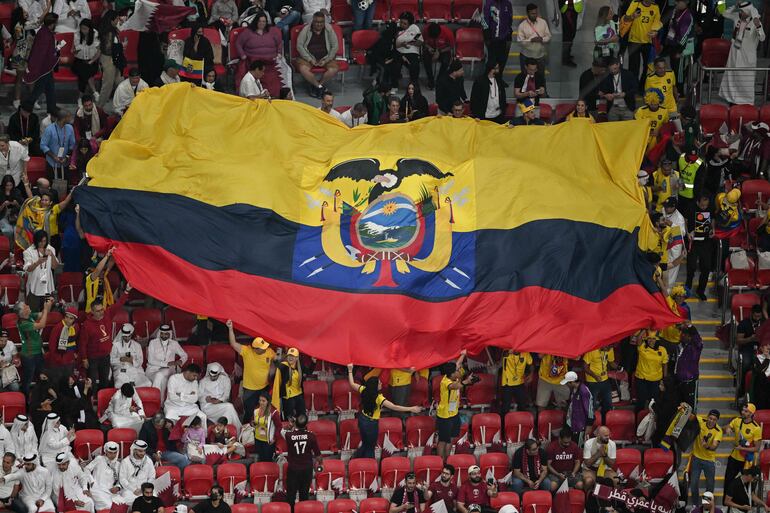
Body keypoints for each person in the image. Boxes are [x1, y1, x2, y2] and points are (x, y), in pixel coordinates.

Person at [346, 364, 421, 459]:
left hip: (362, 420)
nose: (381, 384)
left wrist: (350, 370)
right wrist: (411, 408)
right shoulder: (379, 398)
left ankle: (355, 458)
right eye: (379, 383)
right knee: (370, 448)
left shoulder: (364, 389)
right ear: (375, 386)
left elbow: (352, 384)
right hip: (371, 424)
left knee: (365, 443)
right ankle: (370, 465)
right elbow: (395, 407)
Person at [81, 283, 131, 387]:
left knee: (105, 380)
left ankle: (103, 399)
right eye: (98, 311)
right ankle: (92, 400)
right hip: (93, 358)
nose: (101, 312)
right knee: (92, 381)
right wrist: (84, 358)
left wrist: (126, 291)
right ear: (93, 311)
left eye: (102, 309)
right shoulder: (87, 325)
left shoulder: (107, 315)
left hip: (105, 356)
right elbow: (83, 343)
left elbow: (118, 305)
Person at [227, 320, 275, 422]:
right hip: (249, 389)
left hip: (264, 387)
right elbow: (233, 343)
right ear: (255, 349)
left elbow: (276, 360)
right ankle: (246, 432)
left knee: (264, 411)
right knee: (249, 413)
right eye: (262, 348)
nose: (265, 348)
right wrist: (230, 328)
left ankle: (263, 428)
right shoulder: (247, 351)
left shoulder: (269, 352)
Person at [719, 2, 765, 105]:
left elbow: (762, 38)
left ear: (749, 12)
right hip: (735, 53)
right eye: (740, 11)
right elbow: (724, 13)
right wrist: (735, 6)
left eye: (743, 11)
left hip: (747, 56)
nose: (741, 13)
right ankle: (732, 99)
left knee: (745, 79)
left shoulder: (755, 22)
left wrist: (758, 26)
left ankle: (745, 102)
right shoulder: (737, 17)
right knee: (732, 76)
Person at [234, 14, 282, 97]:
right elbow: (238, 43)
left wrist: (279, 53)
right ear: (256, 21)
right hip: (253, 61)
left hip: (270, 61)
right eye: (259, 21)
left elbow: (279, 44)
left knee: (274, 78)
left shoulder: (273, 31)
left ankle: (273, 95)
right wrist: (243, 56)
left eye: (264, 21)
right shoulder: (247, 32)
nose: (262, 23)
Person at [436, 351, 471, 461]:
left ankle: (447, 460)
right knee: (443, 440)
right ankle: (439, 462)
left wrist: (463, 354)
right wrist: (466, 382)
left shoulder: (453, 376)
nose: (459, 371)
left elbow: (458, 364)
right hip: (444, 416)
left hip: (454, 414)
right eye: (456, 371)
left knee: (450, 439)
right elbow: (455, 386)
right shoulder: (446, 383)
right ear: (451, 374)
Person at [16, 298, 54, 397]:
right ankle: (25, 402)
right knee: (28, 380)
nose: (28, 306)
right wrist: (45, 309)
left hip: (37, 352)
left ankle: (41, 397)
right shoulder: (23, 323)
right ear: (22, 312)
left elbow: (44, 313)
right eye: (26, 306)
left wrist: (49, 303)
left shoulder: (29, 316)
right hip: (29, 355)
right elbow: (42, 324)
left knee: (42, 376)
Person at [295, 12, 339, 98]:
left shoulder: (329, 29)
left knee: (334, 69)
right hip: (308, 57)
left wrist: (326, 60)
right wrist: (309, 59)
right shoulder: (306, 29)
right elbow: (299, 46)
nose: (319, 24)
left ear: (324, 22)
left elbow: (335, 46)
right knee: (303, 69)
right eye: (317, 22)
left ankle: (319, 85)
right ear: (313, 21)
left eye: (321, 22)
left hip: (326, 57)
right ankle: (318, 87)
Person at [23, 13, 59, 115]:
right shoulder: (46, 35)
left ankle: (52, 110)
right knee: (37, 91)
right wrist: (56, 54)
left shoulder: (43, 31)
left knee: (50, 89)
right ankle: (25, 108)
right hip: (44, 68)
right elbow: (42, 54)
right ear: (53, 23)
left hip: (45, 68)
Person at [284, 414, 321, 511]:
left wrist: (291, 427)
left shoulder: (288, 435)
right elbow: (318, 456)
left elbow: (281, 431)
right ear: (306, 424)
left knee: (291, 495)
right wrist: (320, 464)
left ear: (295, 423)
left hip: (293, 470)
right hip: (306, 470)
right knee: (304, 494)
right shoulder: (311, 436)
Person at [723, 403, 761, 491]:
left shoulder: (756, 428)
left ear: (751, 414)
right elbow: (727, 427)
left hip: (746, 460)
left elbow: (756, 448)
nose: (743, 412)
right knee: (728, 481)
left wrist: (742, 448)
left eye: (746, 411)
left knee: (747, 485)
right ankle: (726, 503)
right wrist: (727, 428)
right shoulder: (737, 420)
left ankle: (745, 503)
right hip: (734, 457)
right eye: (743, 410)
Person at [623, 0, 661, 87]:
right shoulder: (635, 3)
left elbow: (657, 23)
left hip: (648, 42)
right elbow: (625, 18)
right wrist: (632, 16)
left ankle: (643, 87)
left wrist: (655, 32)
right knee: (633, 68)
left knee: (648, 67)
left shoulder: (655, 7)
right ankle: (633, 88)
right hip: (634, 42)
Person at [689, 410, 722, 505]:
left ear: (717, 421)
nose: (711, 421)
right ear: (707, 417)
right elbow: (691, 416)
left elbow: (714, 446)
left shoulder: (718, 431)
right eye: (710, 418)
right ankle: (695, 504)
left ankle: (706, 505)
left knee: (710, 485)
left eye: (714, 420)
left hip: (709, 460)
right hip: (696, 458)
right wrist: (685, 407)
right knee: (694, 483)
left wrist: (707, 446)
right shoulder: (701, 421)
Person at [146, 324, 187, 398]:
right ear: (159, 333)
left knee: (159, 375)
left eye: (166, 334)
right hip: (152, 369)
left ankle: (154, 399)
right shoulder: (153, 343)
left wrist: (180, 361)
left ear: (169, 333)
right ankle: (161, 403)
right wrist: (167, 363)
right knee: (163, 380)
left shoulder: (174, 343)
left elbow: (185, 355)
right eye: (162, 333)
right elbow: (150, 360)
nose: (164, 336)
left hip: (169, 370)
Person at [198, 363, 241, 431]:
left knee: (228, 410)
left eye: (214, 376)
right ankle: (237, 431)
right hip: (208, 407)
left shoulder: (226, 380)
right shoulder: (203, 382)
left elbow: (226, 395)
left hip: (221, 404)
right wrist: (206, 399)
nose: (212, 378)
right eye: (211, 376)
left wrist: (219, 401)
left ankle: (226, 432)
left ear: (219, 373)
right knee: (229, 407)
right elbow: (199, 397)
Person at [22, 230, 58, 311]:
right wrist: (38, 262)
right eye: (40, 241)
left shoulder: (51, 249)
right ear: (35, 241)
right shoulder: (28, 252)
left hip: (47, 289)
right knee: (33, 312)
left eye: (44, 241)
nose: (42, 243)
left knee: (47, 311)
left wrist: (52, 255)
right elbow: (28, 269)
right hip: (34, 288)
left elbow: (55, 266)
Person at [634, 331, 668, 411]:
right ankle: (637, 420)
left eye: (653, 339)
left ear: (657, 340)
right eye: (649, 338)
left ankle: (653, 421)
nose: (651, 340)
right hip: (642, 379)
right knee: (641, 401)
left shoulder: (662, 350)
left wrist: (664, 379)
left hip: (655, 380)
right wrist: (645, 328)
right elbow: (638, 339)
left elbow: (665, 364)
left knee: (654, 402)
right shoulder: (642, 347)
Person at [110, 323, 151, 388]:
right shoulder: (116, 345)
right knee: (119, 385)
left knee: (147, 383)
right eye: (124, 336)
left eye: (128, 336)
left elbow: (140, 362)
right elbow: (111, 361)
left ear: (131, 335)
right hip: (121, 371)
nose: (126, 338)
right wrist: (120, 359)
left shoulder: (137, 345)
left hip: (135, 370)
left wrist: (132, 361)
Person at [45, 307, 79, 385]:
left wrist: (75, 354)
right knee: (57, 383)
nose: (68, 320)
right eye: (66, 317)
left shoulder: (76, 327)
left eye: (71, 318)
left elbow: (76, 341)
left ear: (74, 320)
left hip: (70, 360)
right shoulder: (57, 328)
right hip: (57, 362)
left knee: (68, 383)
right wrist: (59, 359)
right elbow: (52, 346)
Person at [84, 441, 121, 511]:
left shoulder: (118, 464)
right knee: (109, 506)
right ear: (105, 451)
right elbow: (86, 469)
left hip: (111, 491)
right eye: (110, 452)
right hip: (97, 489)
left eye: (115, 453)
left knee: (121, 504)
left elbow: (120, 479)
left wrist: (118, 487)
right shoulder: (99, 459)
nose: (112, 455)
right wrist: (91, 481)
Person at [97, 12, 122, 109]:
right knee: (108, 85)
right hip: (109, 59)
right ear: (111, 20)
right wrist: (120, 46)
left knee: (119, 81)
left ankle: (120, 107)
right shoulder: (109, 32)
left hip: (114, 58)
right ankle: (99, 108)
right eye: (116, 19)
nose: (118, 21)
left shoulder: (113, 30)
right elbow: (108, 49)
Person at [582, 346, 615, 420]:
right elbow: (585, 367)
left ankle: (604, 420)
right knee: (592, 404)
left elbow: (611, 362)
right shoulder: (592, 350)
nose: (609, 349)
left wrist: (619, 368)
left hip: (605, 379)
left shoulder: (610, 348)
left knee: (608, 402)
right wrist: (595, 376)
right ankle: (591, 422)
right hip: (592, 381)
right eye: (608, 347)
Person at [674, 325, 703, 408]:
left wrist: (690, 326)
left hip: (690, 382)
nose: (682, 335)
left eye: (685, 334)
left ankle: (690, 421)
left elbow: (697, 338)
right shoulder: (680, 346)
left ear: (690, 337)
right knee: (678, 407)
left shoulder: (696, 347)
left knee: (690, 407)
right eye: (682, 334)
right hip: (679, 381)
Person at [562, 371, 594, 441]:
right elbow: (575, 402)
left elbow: (589, 410)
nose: (566, 385)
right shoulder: (574, 389)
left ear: (572, 382)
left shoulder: (584, 392)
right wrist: (567, 403)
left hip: (580, 425)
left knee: (578, 446)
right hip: (571, 422)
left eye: (567, 383)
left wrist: (589, 425)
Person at [517, 4, 550, 71]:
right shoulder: (522, 25)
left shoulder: (543, 22)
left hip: (539, 55)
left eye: (536, 13)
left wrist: (542, 39)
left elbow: (548, 36)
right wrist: (531, 40)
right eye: (532, 13)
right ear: (527, 13)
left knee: (540, 78)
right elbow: (520, 42)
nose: (535, 15)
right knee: (525, 77)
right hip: (526, 56)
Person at [392, 11, 422, 86]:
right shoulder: (396, 29)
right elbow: (394, 44)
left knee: (415, 66)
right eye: (401, 22)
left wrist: (411, 43)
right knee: (395, 65)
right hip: (399, 52)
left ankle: (413, 85)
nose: (402, 25)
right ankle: (394, 86)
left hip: (412, 52)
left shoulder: (415, 29)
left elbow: (420, 42)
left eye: (405, 23)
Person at [499, 349, 532, 416]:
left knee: (522, 406)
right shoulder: (507, 351)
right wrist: (508, 351)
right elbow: (503, 355)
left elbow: (531, 364)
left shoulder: (525, 353)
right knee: (505, 408)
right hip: (507, 384)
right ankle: (503, 424)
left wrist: (531, 374)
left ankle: (521, 424)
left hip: (520, 382)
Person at [72, 19, 100, 96]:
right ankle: (94, 92)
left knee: (83, 73)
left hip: (92, 61)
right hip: (79, 62)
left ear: (90, 29)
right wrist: (74, 51)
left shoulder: (95, 34)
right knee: (84, 70)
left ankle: (80, 98)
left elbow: (98, 52)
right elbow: (72, 50)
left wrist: (91, 61)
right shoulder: (77, 35)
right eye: (81, 28)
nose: (82, 30)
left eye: (85, 29)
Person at [422, 23, 452, 90]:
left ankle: (440, 80)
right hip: (431, 48)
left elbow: (450, 46)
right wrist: (428, 47)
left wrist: (439, 51)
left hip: (443, 50)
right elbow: (423, 42)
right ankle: (431, 80)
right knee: (425, 59)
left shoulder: (447, 32)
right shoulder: (425, 30)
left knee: (446, 61)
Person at [252, 394, 281, 462]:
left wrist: (274, 438)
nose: (261, 402)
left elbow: (279, 426)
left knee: (267, 460)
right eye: (260, 400)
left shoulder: (273, 412)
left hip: (268, 441)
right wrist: (252, 423)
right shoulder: (256, 409)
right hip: (257, 439)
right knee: (260, 459)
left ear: (268, 402)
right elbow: (252, 420)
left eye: (263, 401)